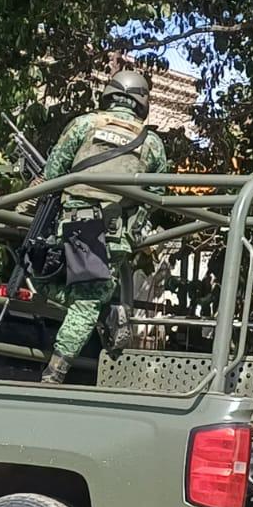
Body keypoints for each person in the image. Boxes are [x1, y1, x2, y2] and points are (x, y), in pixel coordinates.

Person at [39, 69, 168, 383]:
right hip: (114, 233)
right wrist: (134, 225)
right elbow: (157, 193)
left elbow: (53, 173)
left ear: (109, 95)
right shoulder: (151, 142)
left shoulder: (84, 124)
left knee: (77, 297)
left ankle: (54, 373)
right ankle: (108, 309)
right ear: (142, 102)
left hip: (74, 226)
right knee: (88, 295)